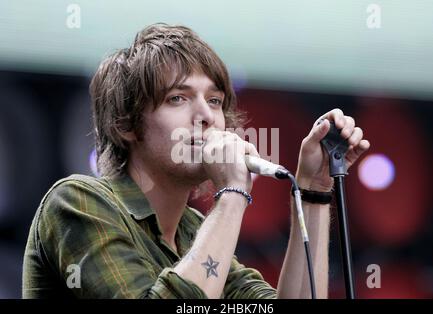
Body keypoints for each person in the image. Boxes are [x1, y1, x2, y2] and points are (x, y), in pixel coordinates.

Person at [22, 23, 370, 299]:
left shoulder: (193, 232)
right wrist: (233, 192)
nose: (206, 115)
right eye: (178, 98)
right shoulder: (77, 202)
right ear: (126, 124)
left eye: (215, 101)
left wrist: (313, 189)